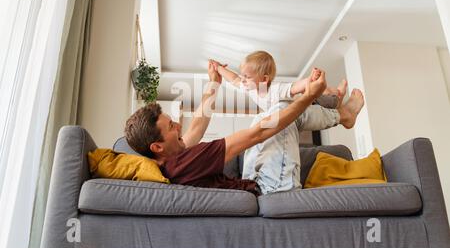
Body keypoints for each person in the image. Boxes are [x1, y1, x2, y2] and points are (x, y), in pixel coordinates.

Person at [124, 61, 364, 196]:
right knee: (274, 114)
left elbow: (196, 125)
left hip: (253, 182)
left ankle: (335, 109)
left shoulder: (173, 161)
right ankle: (343, 114)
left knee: (270, 113)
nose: (178, 125)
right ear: (157, 146)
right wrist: (305, 98)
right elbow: (258, 133)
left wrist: (214, 83)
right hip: (272, 190)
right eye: (170, 126)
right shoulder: (185, 163)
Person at [209, 50, 348, 112]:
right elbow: (234, 78)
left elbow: (295, 87)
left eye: (247, 77)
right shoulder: (248, 87)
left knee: (327, 100)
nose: (243, 80)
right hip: (292, 110)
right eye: (243, 75)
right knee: (326, 92)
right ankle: (332, 91)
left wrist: (310, 80)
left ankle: (338, 97)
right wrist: (219, 68)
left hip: (310, 103)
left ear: (264, 79)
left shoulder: (275, 90)